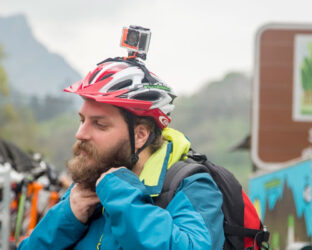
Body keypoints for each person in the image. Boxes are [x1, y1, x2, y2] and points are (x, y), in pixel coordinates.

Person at [18, 58, 225, 249]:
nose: (80, 134)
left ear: (141, 135)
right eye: (82, 120)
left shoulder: (190, 186)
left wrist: (121, 195)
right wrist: (67, 217)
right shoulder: (88, 185)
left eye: (99, 124)